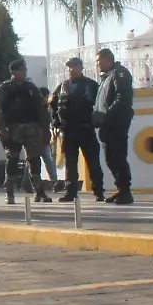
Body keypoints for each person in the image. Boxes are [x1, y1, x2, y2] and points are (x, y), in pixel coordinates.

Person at [0, 59, 51, 205]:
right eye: (22, 70)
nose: (24, 73)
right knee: (13, 159)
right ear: (14, 72)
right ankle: (9, 192)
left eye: (25, 70)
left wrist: (45, 128)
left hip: (31, 128)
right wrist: (1, 127)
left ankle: (39, 191)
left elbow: (42, 108)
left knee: (34, 159)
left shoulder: (31, 87)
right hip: (13, 129)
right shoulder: (4, 88)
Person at [51, 57, 105, 202]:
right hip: (68, 130)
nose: (70, 69)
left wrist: (97, 121)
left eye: (73, 66)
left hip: (85, 128)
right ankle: (71, 192)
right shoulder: (63, 86)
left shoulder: (91, 85)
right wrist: (56, 122)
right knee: (70, 163)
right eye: (68, 67)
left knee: (93, 162)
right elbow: (53, 105)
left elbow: (101, 103)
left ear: (80, 67)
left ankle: (99, 191)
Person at [93, 48, 135, 205]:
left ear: (107, 59)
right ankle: (121, 189)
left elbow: (122, 98)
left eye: (99, 61)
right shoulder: (106, 77)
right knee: (110, 158)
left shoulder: (120, 74)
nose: (97, 65)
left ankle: (126, 192)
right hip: (107, 125)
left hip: (116, 123)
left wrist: (107, 116)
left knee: (118, 157)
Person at [37, 87, 60, 190]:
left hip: (42, 137)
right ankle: (54, 181)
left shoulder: (45, 107)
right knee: (46, 160)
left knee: (33, 161)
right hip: (40, 137)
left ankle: (27, 183)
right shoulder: (42, 108)